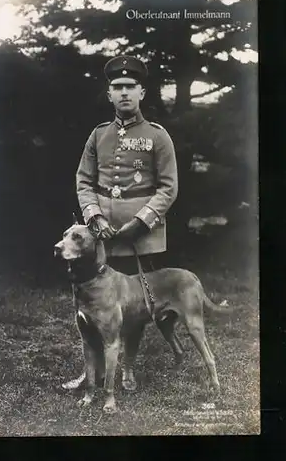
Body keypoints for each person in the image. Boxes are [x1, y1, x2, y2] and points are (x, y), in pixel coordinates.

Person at [62, 54, 178, 390]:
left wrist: (141, 222)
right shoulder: (98, 136)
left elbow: (169, 187)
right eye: (117, 87)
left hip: (143, 236)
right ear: (109, 94)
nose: (124, 92)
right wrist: (94, 216)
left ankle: (127, 368)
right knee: (94, 301)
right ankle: (92, 370)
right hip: (101, 237)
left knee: (136, 306)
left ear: (142, 92)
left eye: (130, 86)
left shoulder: (158, 136)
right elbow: (84, 181)